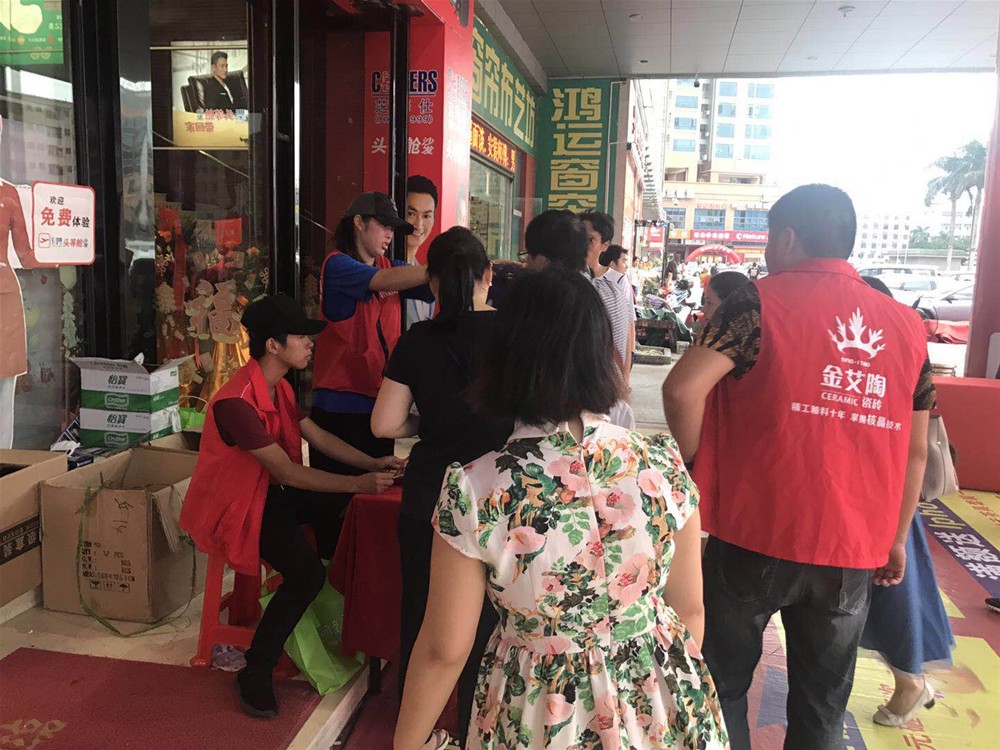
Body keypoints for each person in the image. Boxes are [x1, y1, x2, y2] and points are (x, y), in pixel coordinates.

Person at [394, 267, 728, 750]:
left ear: (504, 358)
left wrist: (406, 743)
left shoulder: (477, 489)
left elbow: (444, 650)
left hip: (540, 710)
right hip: (662, 698)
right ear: (601, 354)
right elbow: (690, 609)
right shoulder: (662, 463)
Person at [662, 184, 934, 750]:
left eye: (768, 238)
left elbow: (683, 390)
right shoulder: (908, 326)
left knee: (722, 686)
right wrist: (895, 537)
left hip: (752, 532)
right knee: (822, 706)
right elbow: (916, 449)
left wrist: (696, 467)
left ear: (787, 237)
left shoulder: (756, 303)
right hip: (852, 548)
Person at [179, 294, 402, 718]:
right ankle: (256, 669)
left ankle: (339, 625)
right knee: (306, 573)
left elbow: (318, 437)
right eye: (302, 336)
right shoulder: (235, 402)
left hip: (269, 493)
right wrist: (358, 482)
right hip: (239, 506)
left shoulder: (278, 386)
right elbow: (287, 471)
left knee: (348, 512)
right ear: (273, 345)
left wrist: (372, 464)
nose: (310, 343)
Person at [371, 227, 512, 748]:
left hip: (431, 493)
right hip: (501, 497)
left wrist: (426, 422)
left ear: (431, 281)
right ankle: (478, 728)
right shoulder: (515, 335)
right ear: (488, 275)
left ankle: (419, 729)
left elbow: (384, 425)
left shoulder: (417, 340)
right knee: (494, 623)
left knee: (423, 615)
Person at [310, 192, 435, 551]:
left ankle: (356, 575)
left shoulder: (389, 266)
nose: (389, 235)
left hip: (377, 407)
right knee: (335, 511)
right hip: (339, 407)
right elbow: (384, 281)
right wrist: (446, 265)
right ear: (359, 223)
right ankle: (328, 576)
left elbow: (425, 287)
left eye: (394, 229)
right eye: (383, 226)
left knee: (370, 506)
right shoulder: (337, 265)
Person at [858, 275, 953, 728]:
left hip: (884, 495)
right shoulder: (893, 349)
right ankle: (911, 677)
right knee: (890, 591)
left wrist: (897, 529)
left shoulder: (894, 351)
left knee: (889, 592)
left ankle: (910, 680)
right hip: (877, 492)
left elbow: (914, 449)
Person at [523, 210, 635, 428]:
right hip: (605, 409)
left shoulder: (543, 296)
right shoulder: (611, 290)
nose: (526, 264)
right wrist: (622, 390)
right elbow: (620, 352)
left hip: (557, 416)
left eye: (528, 256)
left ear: (543, 259)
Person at [580, 211, 636, 378]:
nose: (582, 244)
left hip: (606, 371)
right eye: (578, 237)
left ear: (605, 245)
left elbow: (627, 328)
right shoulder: (568, 278)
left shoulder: (617, 282)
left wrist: (625, 379)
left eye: (590, 240)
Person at [404, 175, 438, 329]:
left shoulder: (425, 274)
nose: (418, 224)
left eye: (426, 216)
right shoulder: (382, 268)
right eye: (411, 214)